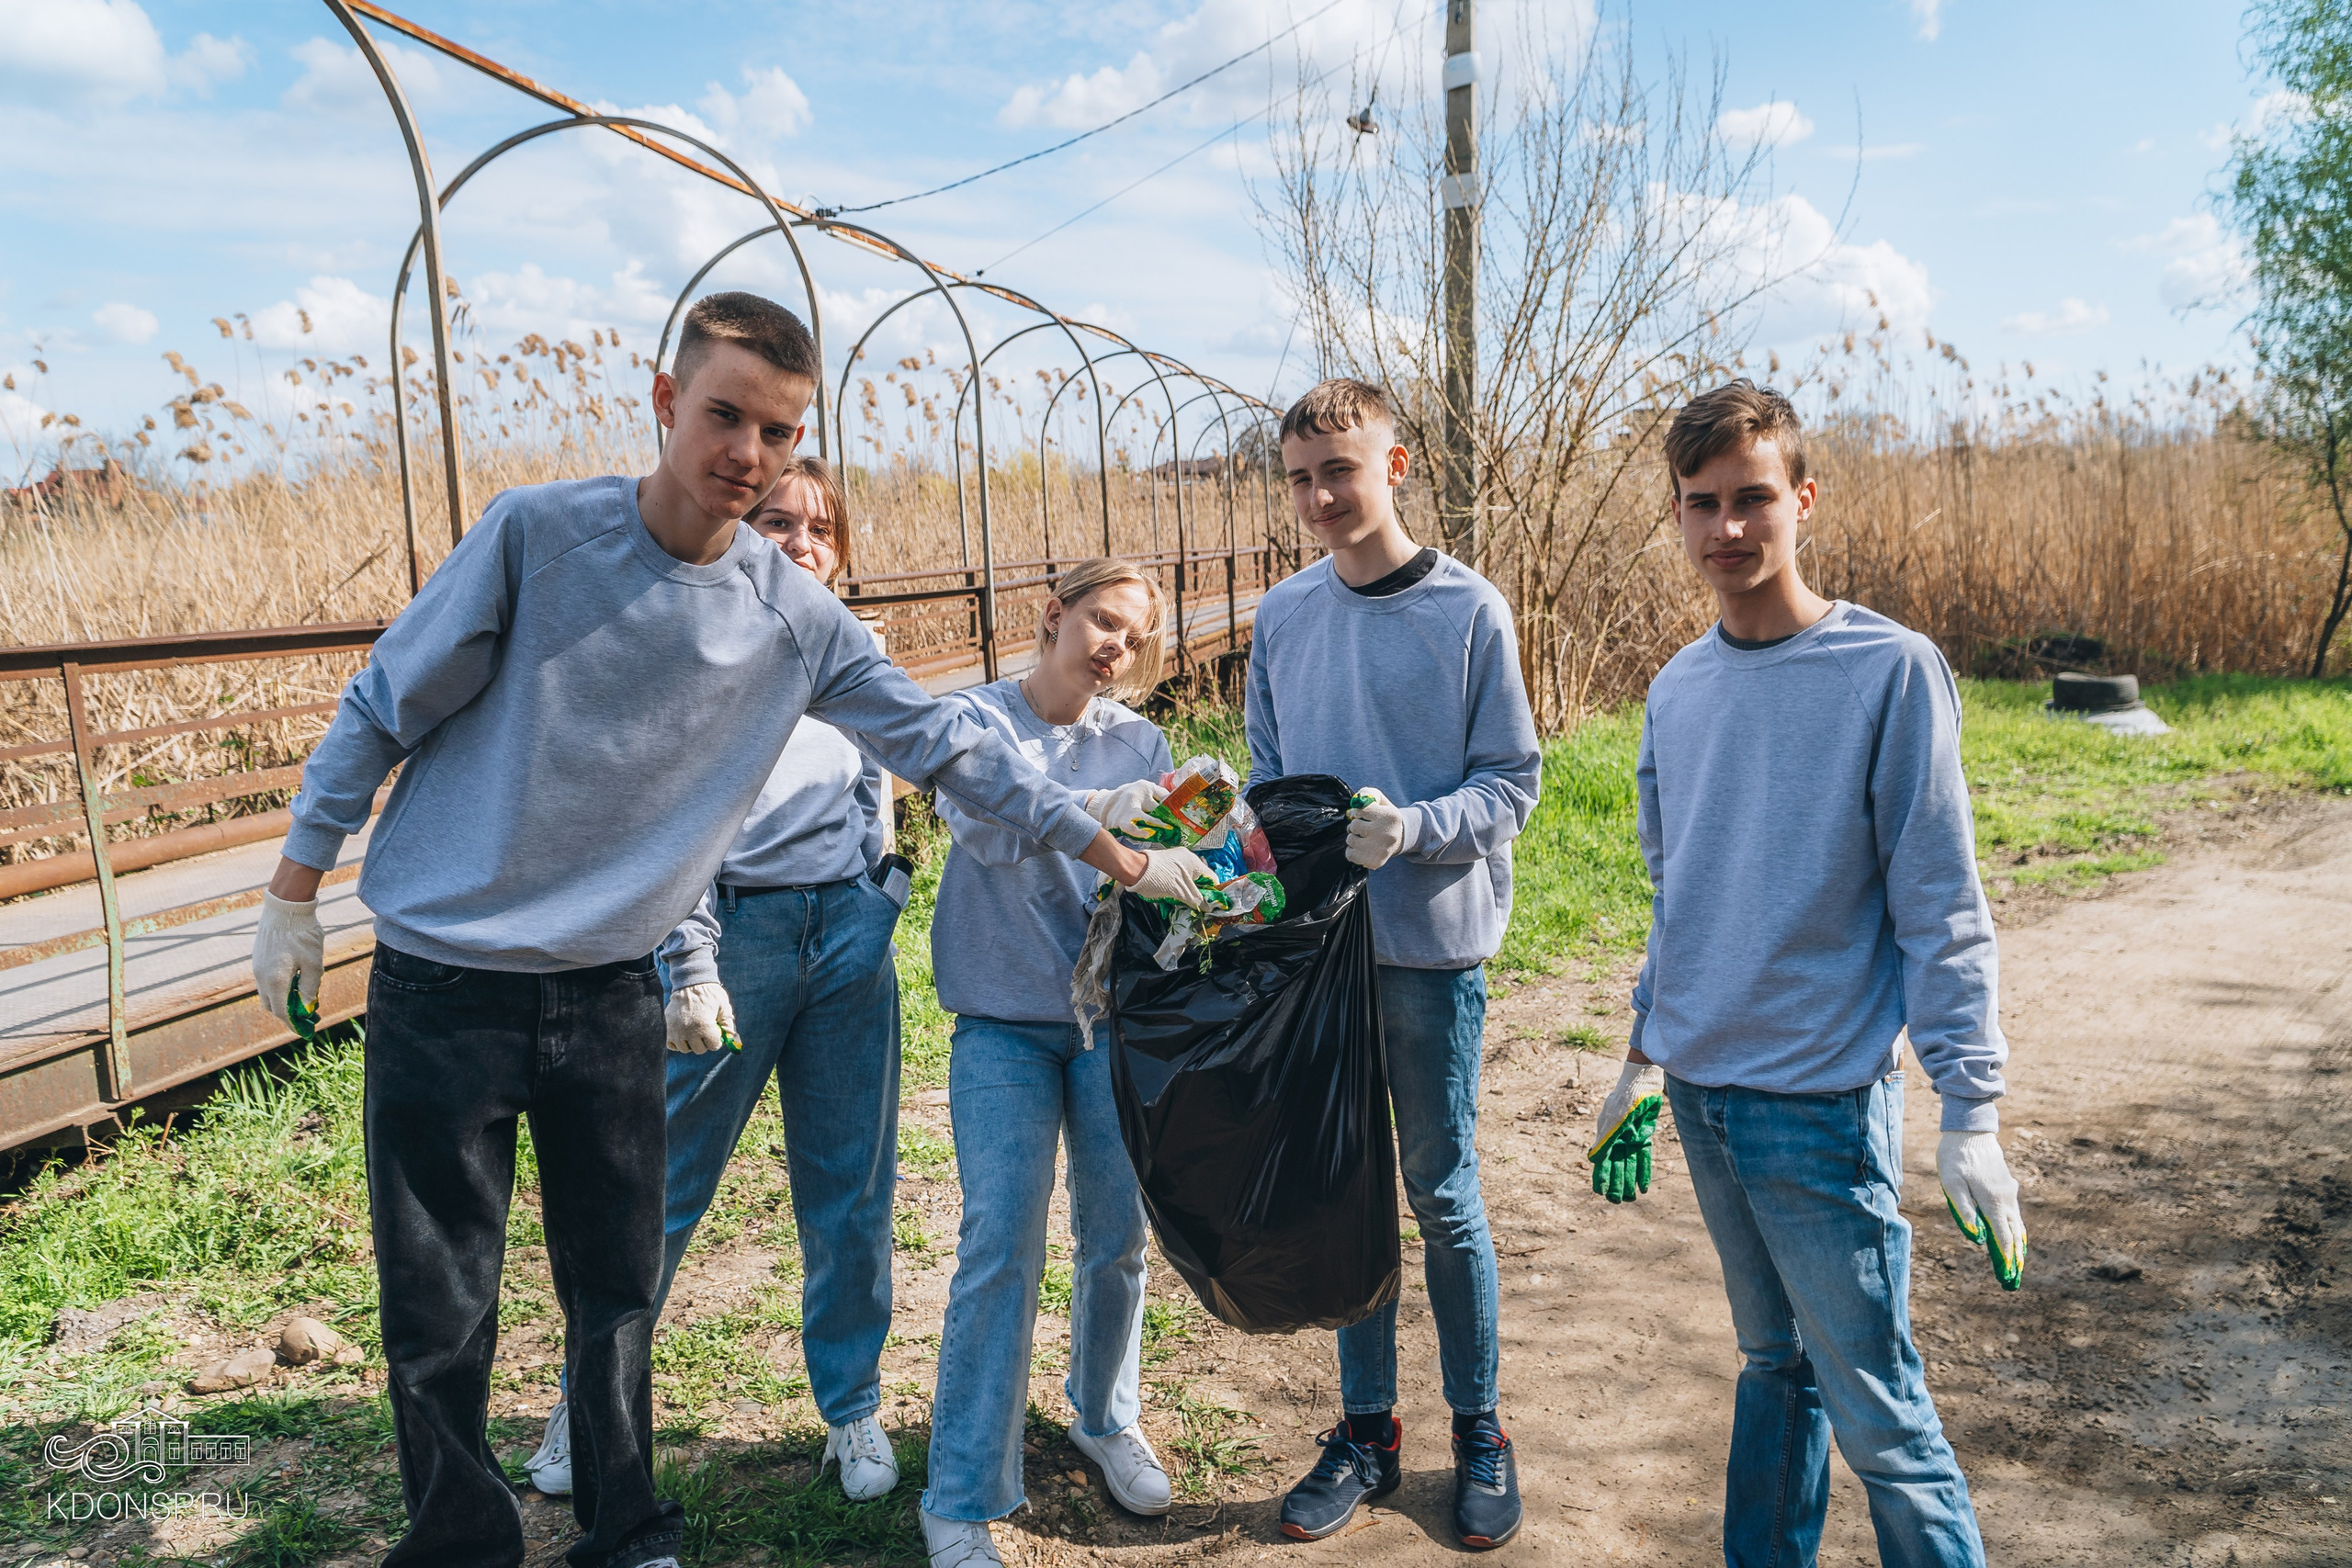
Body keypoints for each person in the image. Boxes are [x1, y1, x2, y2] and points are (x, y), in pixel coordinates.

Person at [249, 293, 1217, 1568]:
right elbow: (381, 702)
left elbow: (952, 749)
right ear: (665, 400)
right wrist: (295, 881)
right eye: (724, 415)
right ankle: (461, 1536)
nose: (748, 452)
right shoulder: (539, 536)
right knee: (439, 1300)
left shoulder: (793, 614)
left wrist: (1125, 854)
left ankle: (626, 1524)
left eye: (779, 428)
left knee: (617, 1285)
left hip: (609, 982)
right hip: (450, 972)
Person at [1589, 378, 2024, 1568]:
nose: (1727, 528)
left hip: (1821, 1110)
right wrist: (1640, 1055)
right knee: (1773, 1365)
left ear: (1802, 498)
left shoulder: (1889, 669)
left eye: (1751, 498)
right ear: (1676, 515)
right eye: (1701, 503)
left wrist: (1970, 1105)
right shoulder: (1678, 690)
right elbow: (1681, 900)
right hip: (1704, 1102)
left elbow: (1940, 904)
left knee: (1882, 1412)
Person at [524, 457, 910, 1506]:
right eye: (778, 520)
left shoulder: (849, 645)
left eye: (821, 528)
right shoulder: (696, 643)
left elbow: (880, 773)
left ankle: (851, 1407)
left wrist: (881, 889)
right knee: (657, 1191)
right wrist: (688, 957)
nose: (800, 543)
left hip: (843, 937)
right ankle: (585, 1412)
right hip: (727, 938)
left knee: (850, 1189)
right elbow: (665, 822)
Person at [1247, 378, 1542, 1551]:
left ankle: (1481, 1430)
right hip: (1319, 957)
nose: (1322, 497)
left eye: (1342, 471)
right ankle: (1367, 1431)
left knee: (1441, 1194)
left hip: (1427, 953)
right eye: (1302, 478)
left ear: (1396, 465)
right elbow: (1268, 776)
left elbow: (1511, 784)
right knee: (1343, 1190)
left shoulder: (1471, 613)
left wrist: (1414, 827)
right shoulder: (1283, 614)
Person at [917, 558, 1186, 1568]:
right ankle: (961, 1493)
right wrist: (1101, 819)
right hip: (1002, 1024)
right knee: (1000, 1248)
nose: (1113, 645)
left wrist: (1202, 839)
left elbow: (1159, 870)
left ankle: (1103, 1416)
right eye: (1100, 621)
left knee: (1116, 1234)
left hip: (1110, 1023)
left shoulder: (1142, 738)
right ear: (1053, 615)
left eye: (1132, 634)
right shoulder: (973, 722)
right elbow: (988, 832)